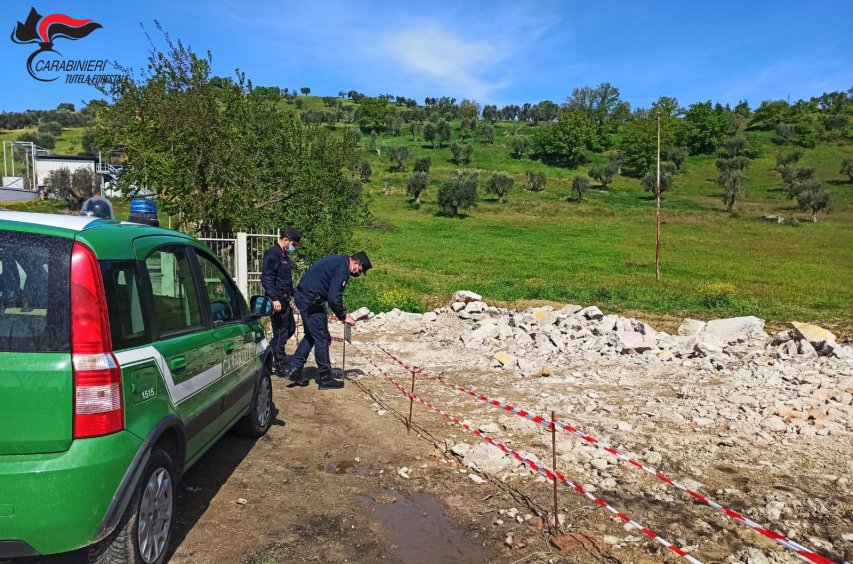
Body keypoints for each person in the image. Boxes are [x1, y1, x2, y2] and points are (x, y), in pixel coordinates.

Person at [281, 251, 372, 389]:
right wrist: (343, 316)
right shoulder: (343, 269)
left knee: (312, 335)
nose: (358, 274)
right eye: (360, 270)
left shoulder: (339, 261)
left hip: (306, 297)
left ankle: (294, 368)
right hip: (311, 301)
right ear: (357, 263)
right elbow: (334, 299)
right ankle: (325, 378)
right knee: (323, 338)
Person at [261, 227, 302, 374]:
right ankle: (281, 365)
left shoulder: (283, 254)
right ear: (286, 240)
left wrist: (293, 297)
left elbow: (284, 279)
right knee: (281, 333)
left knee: (290, 329)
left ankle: (267, 353)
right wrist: (273, 299)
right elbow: (266, 277)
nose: (294, 248)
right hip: (277, 301)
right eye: (293, 244)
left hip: (285, 300)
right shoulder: (273, 254)